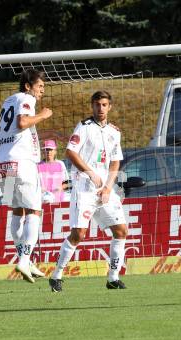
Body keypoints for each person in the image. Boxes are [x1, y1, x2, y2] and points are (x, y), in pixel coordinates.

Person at [49, 90, 128, 292]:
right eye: (96, 105)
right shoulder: (83, 127)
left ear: (109, 107)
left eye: (104, 105)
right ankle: (57, 275)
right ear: (91, 106)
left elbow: (115, 160)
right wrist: (90, 172)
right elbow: (70, 152)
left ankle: (113, 277)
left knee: (121, 231)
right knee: (79, 234)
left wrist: (109, 187)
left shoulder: (114, 131)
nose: (100, 108)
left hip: (105, 189)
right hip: (84, 187)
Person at [0, 69, 53, 283]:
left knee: (17, 211)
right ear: (28, 86)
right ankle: (25, 258)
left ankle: (24, 259)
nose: (41, 91)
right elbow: (22, 122)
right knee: (34, 211)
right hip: (21, 163)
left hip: (3, 163)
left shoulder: (7, 101)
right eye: (40, 86)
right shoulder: (26, 98)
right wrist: (43, 115)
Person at [37, 139, 70, 203]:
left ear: (55, 151)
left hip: (60, 198)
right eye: (46, 150)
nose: (49, 152)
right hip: (44, 199)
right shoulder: (38, 166)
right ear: (43, 151)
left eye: (51, 150)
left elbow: (67, 183)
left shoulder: (60, 164)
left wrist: (59, 189)